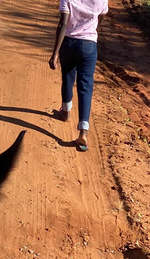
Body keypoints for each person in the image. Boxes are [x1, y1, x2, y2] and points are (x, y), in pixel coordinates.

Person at [48, 0, 107, 151]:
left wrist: (55, 54)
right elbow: (100, 17)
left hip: (68, 43)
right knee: (85, 87)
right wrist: (91, 30)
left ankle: (66, 111)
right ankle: (83, 131)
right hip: (89, 45)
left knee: (67, 76)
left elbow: (62, 24)